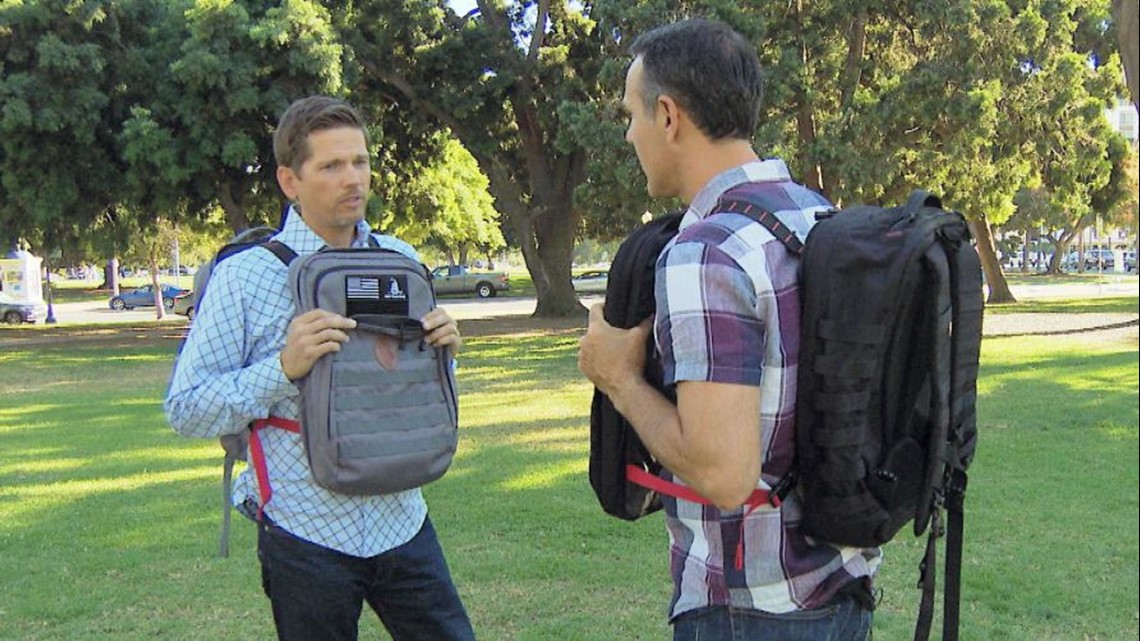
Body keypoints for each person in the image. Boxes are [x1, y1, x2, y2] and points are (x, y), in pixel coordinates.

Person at [578, 19, 880, 640]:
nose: (630, 134)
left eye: (631, 115)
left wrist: (619, 379)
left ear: (668, 116)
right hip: (840, 585)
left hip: (751, 610)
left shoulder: (706, 251)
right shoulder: (813, 213)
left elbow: (722, 475)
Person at [165, 95, 475, 641]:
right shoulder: (244, 276)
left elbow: (418, 389)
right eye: (331, 166)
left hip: (403, 517)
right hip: (306, 533)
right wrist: (283, 367)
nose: (352, 179)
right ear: (290, 180)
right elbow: (187, 408)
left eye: (359, 162)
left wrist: (443, 350)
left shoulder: (401, 261)